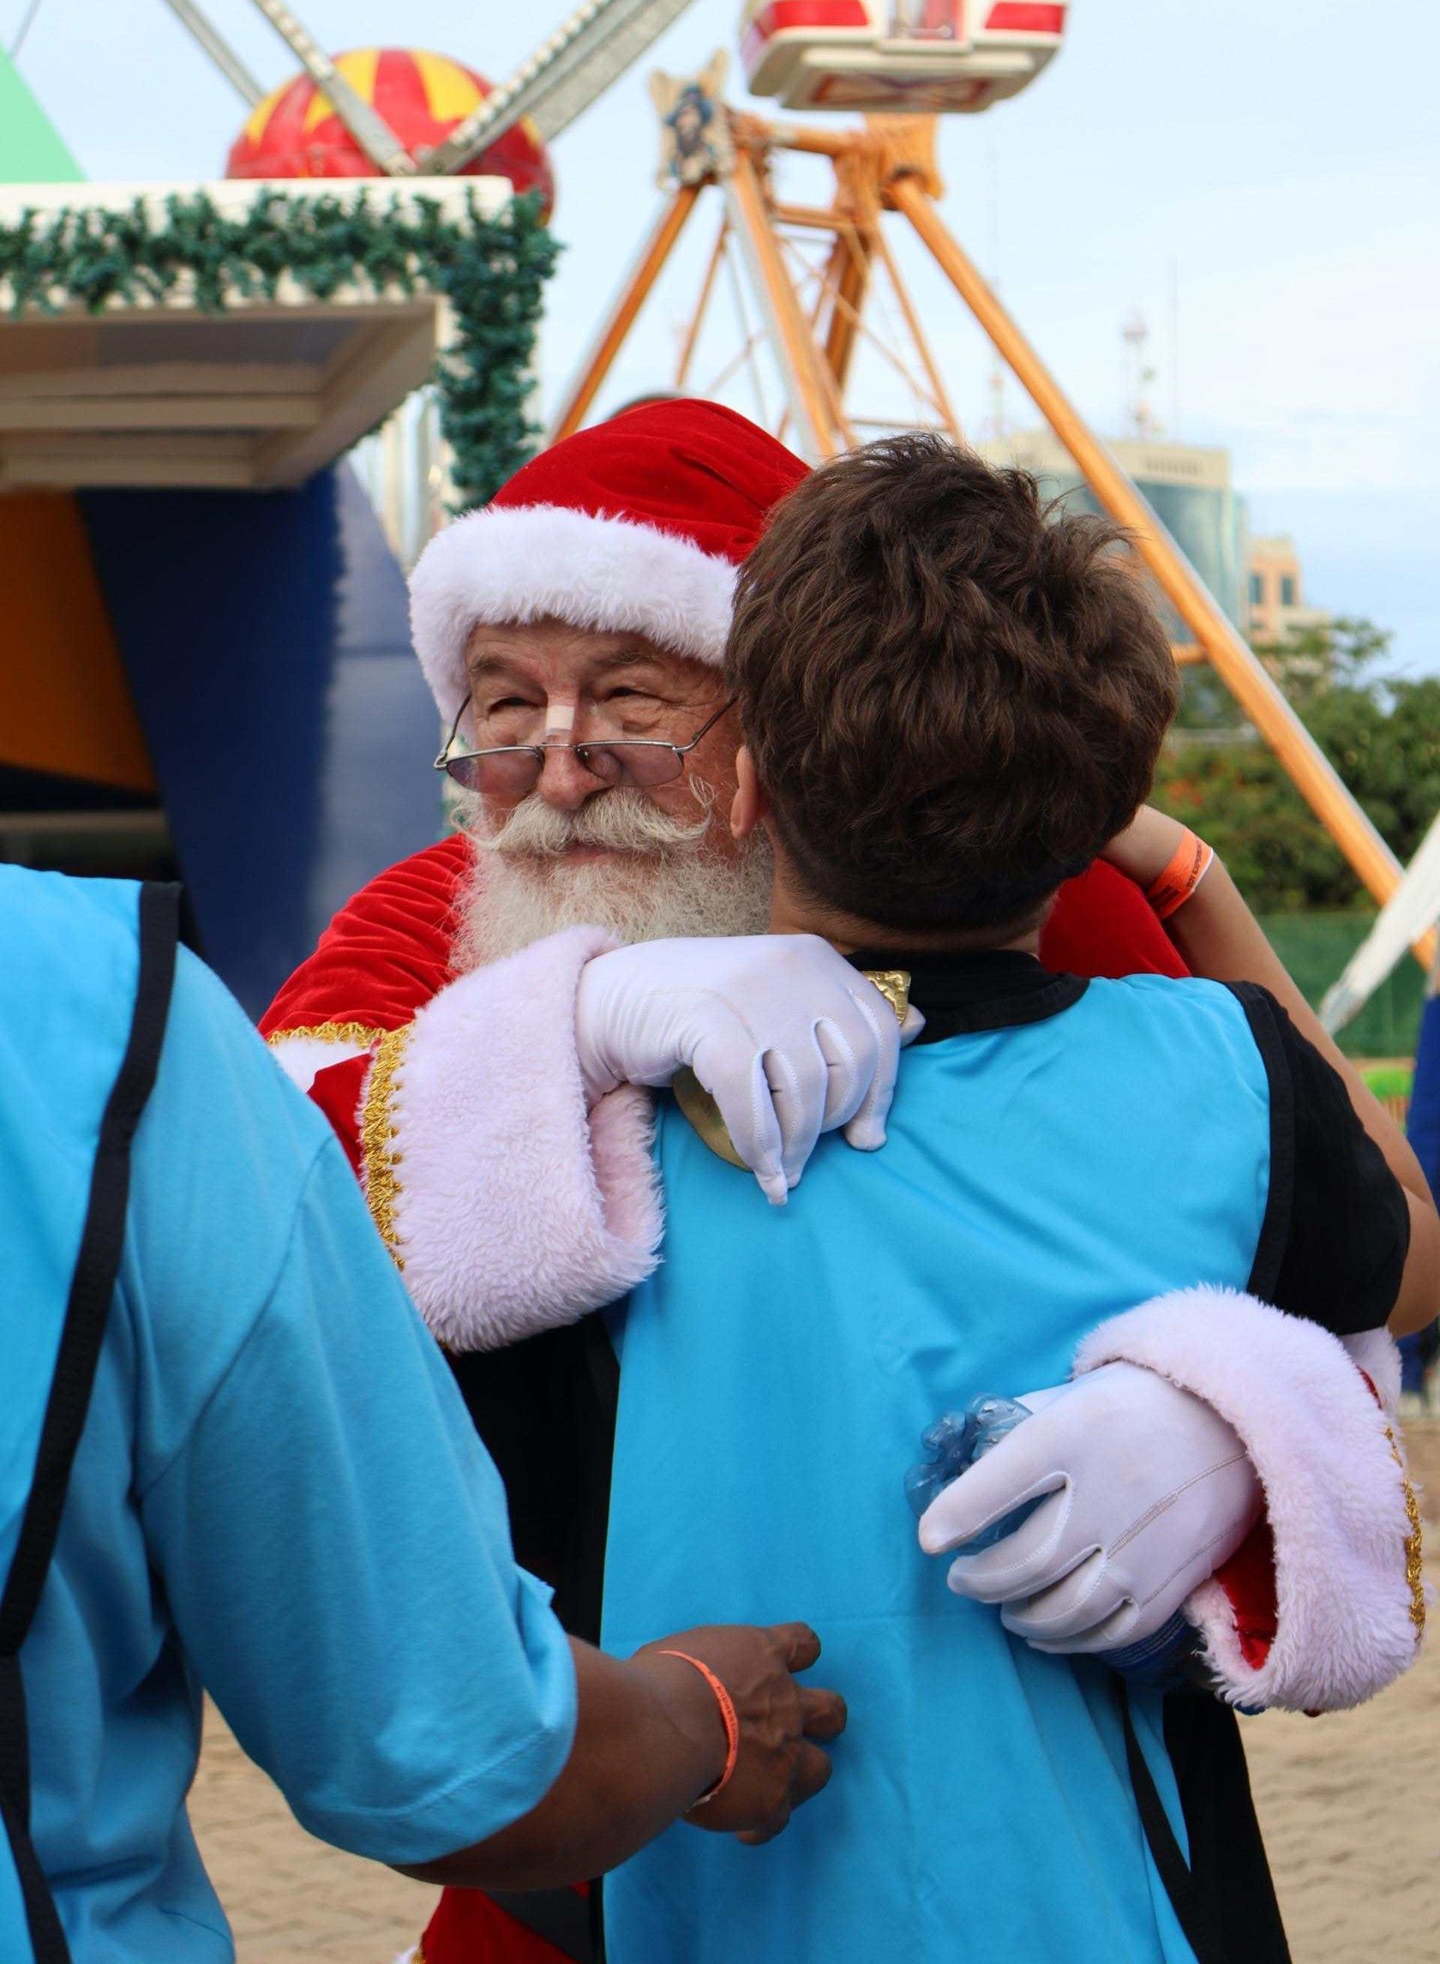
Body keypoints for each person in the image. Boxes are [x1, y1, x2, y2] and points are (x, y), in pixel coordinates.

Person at [261, 400, 1425, 1963]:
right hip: (610, 1850)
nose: (558, 766)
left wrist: (1229, 1421)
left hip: (1078, 1837)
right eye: (504, 703)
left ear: (764, 729)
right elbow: (257, 1210)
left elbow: (1336, 1253)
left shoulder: (1040, 897)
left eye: (629, 696)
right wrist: (565, 1027)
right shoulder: (452, 918)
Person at [595, 437, 1434, 1963]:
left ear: (745, 779)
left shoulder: (592, 1117)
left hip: (713, 1906)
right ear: (1097, 804)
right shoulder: (1228, 1078)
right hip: (1131, 1910)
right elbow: (1413, 1253)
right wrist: (1190, 875)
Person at [0, 864, 844, 1964]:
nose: (562, 776)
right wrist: (702, 1718)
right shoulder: (111, 999)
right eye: (485, 751)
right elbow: (448, 1746)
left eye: (635, 739)